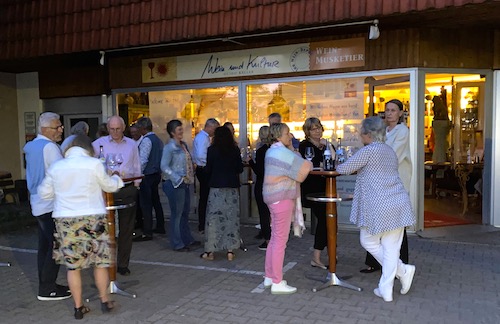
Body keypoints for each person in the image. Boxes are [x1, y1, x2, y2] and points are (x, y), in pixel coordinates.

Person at [38, 135, 123, 319]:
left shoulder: (56, 167)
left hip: (66, 221)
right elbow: (109, 186)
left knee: (73, 267)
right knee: (100, 263)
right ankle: (104, 300)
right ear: (87, 149)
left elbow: (44, 193)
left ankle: (78, 307)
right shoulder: (94, 164)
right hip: (93, 219)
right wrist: (118, 180)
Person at [335, 116, 416, 302]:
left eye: (361, 132)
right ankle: (389, 286)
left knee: (369, 241)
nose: (359, 135)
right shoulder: (388, 150)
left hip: (381, 206)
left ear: (367, 134)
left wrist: (334, 161)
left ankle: (402, 272)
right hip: (397, 203)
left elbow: (344, 169)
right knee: (390, 249)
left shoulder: (369, 150)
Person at [23, 112, 71, 301]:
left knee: (44, 246)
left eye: (60, 126)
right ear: (44, 129)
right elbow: (62, 175)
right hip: (50, 203)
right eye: (57, 127)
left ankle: (46, 284)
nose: (60, 130)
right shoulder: (50, 148)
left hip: (37, 201)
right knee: (54, 246)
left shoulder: (31, 146)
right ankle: (47, 288)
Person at [262, 123, 312, 294]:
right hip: (281, 198)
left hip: (273, 199)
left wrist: (291, 148)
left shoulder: (272, 150)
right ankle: (277, 281)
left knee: (275, 239)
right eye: (287, 133)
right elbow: (304, 167)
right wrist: (293, 149)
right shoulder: (282, 152)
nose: (290, 136)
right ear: (278, 136)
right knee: (280, 242)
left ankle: (269, 276)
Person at [361, 99, 410, 273]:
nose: (389, 113)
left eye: (393, 110)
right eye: (387, 110)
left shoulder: (402, 131)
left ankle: (401, 263)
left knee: (396, 224)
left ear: (400, 113)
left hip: (396, 180)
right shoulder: (383, 129)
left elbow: (391, 154)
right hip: (381, 181)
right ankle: (375, 262)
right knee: (376, 219)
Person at [92, 116, 141, 276]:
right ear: (107, 128)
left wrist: (136, 185)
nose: (115, 132)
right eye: (112, 129)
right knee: (104, 227)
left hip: (126, 187)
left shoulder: (132, 144)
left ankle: (122, 264)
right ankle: (105, 262)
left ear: (123, 128)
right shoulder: (98, 144)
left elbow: (136, 165)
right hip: (105, 189)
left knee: (126, 228)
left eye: (118, 129)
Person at [200, 126, 244, 261]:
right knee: (231, 218)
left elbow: (208, 169)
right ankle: (230, 250)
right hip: (231, 188)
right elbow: (239, 168)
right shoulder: (234, 150)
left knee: (214, 219)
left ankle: (210, 251)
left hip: (216, 188)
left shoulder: (211, 150)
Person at [161, 119, 199, 252]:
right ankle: (177, 243)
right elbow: (164, 166)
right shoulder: (169, 147)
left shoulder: (183, 145)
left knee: (184, 213)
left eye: (181, 129)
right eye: (179, 129)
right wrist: (177, 178)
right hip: (175, 184)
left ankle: (186, 238)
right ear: (172, 132)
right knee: (177, 214)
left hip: (186, 183)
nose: (181, 131)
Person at [298, 117, 329, 269]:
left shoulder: (325, 146)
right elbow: (306, 165)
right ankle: (316, 256)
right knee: (325, 220)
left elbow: (334, 162)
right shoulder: (305, 146)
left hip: (327, 187)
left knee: (330, 221)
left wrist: (328, 146)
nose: (317, 131)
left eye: (319, 128)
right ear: (308, 132)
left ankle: (331, 252)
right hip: (312, 188)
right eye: (314, 128)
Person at [133, 117, 165, 241]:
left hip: (147, 175)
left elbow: (143, 160)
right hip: (156, 173)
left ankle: (147, 231)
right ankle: (160, 225)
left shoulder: (146, 140)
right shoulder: (158, 140)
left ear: (143, 128)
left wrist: (138, 175)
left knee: (145, 204)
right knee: (156, 201)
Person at [192, 118, 220, 233]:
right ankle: (202, 224)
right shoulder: (203, 138)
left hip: (202, 168)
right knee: (205, 197)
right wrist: (210, 163)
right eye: (215, 129)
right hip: (203, 169)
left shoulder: (203, 137)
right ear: (210, 127)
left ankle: (203, 223)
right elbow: (200, 155)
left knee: (205, 197)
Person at [249, 126, 271, 251]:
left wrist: (251, 162)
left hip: (263, 184)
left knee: (264, 213)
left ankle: (267, 239)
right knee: (272, 212)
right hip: (273, 184)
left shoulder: (262, 150)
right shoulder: (274, 149)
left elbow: (259, 171)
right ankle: (273, 238)